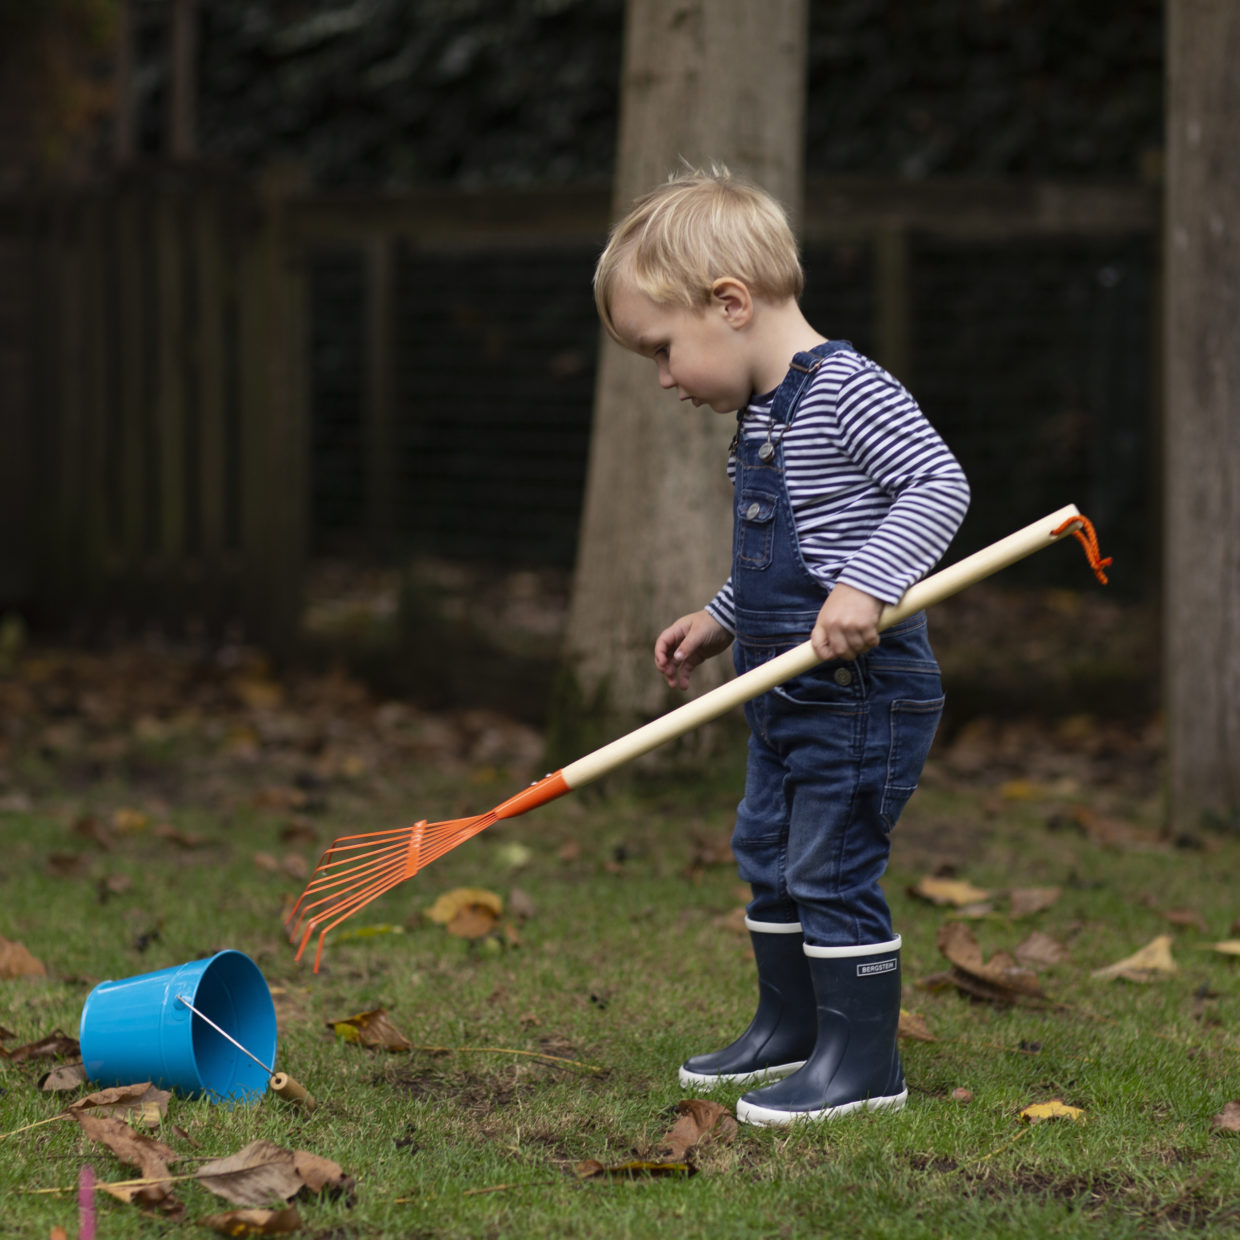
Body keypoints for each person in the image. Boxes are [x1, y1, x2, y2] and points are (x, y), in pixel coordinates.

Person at [592, 168, 970, 1126]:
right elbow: (787, 553)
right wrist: (721, 616)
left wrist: (869, 586)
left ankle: (863, 1063)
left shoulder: (848, 390)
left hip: (861, 689)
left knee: (830, 865)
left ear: (729, 304)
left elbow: (936, 484)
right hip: (781, 688)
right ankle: (792, 1027)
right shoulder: (763, 415)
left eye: (664, 350)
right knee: (767, 850)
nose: (667, 378)